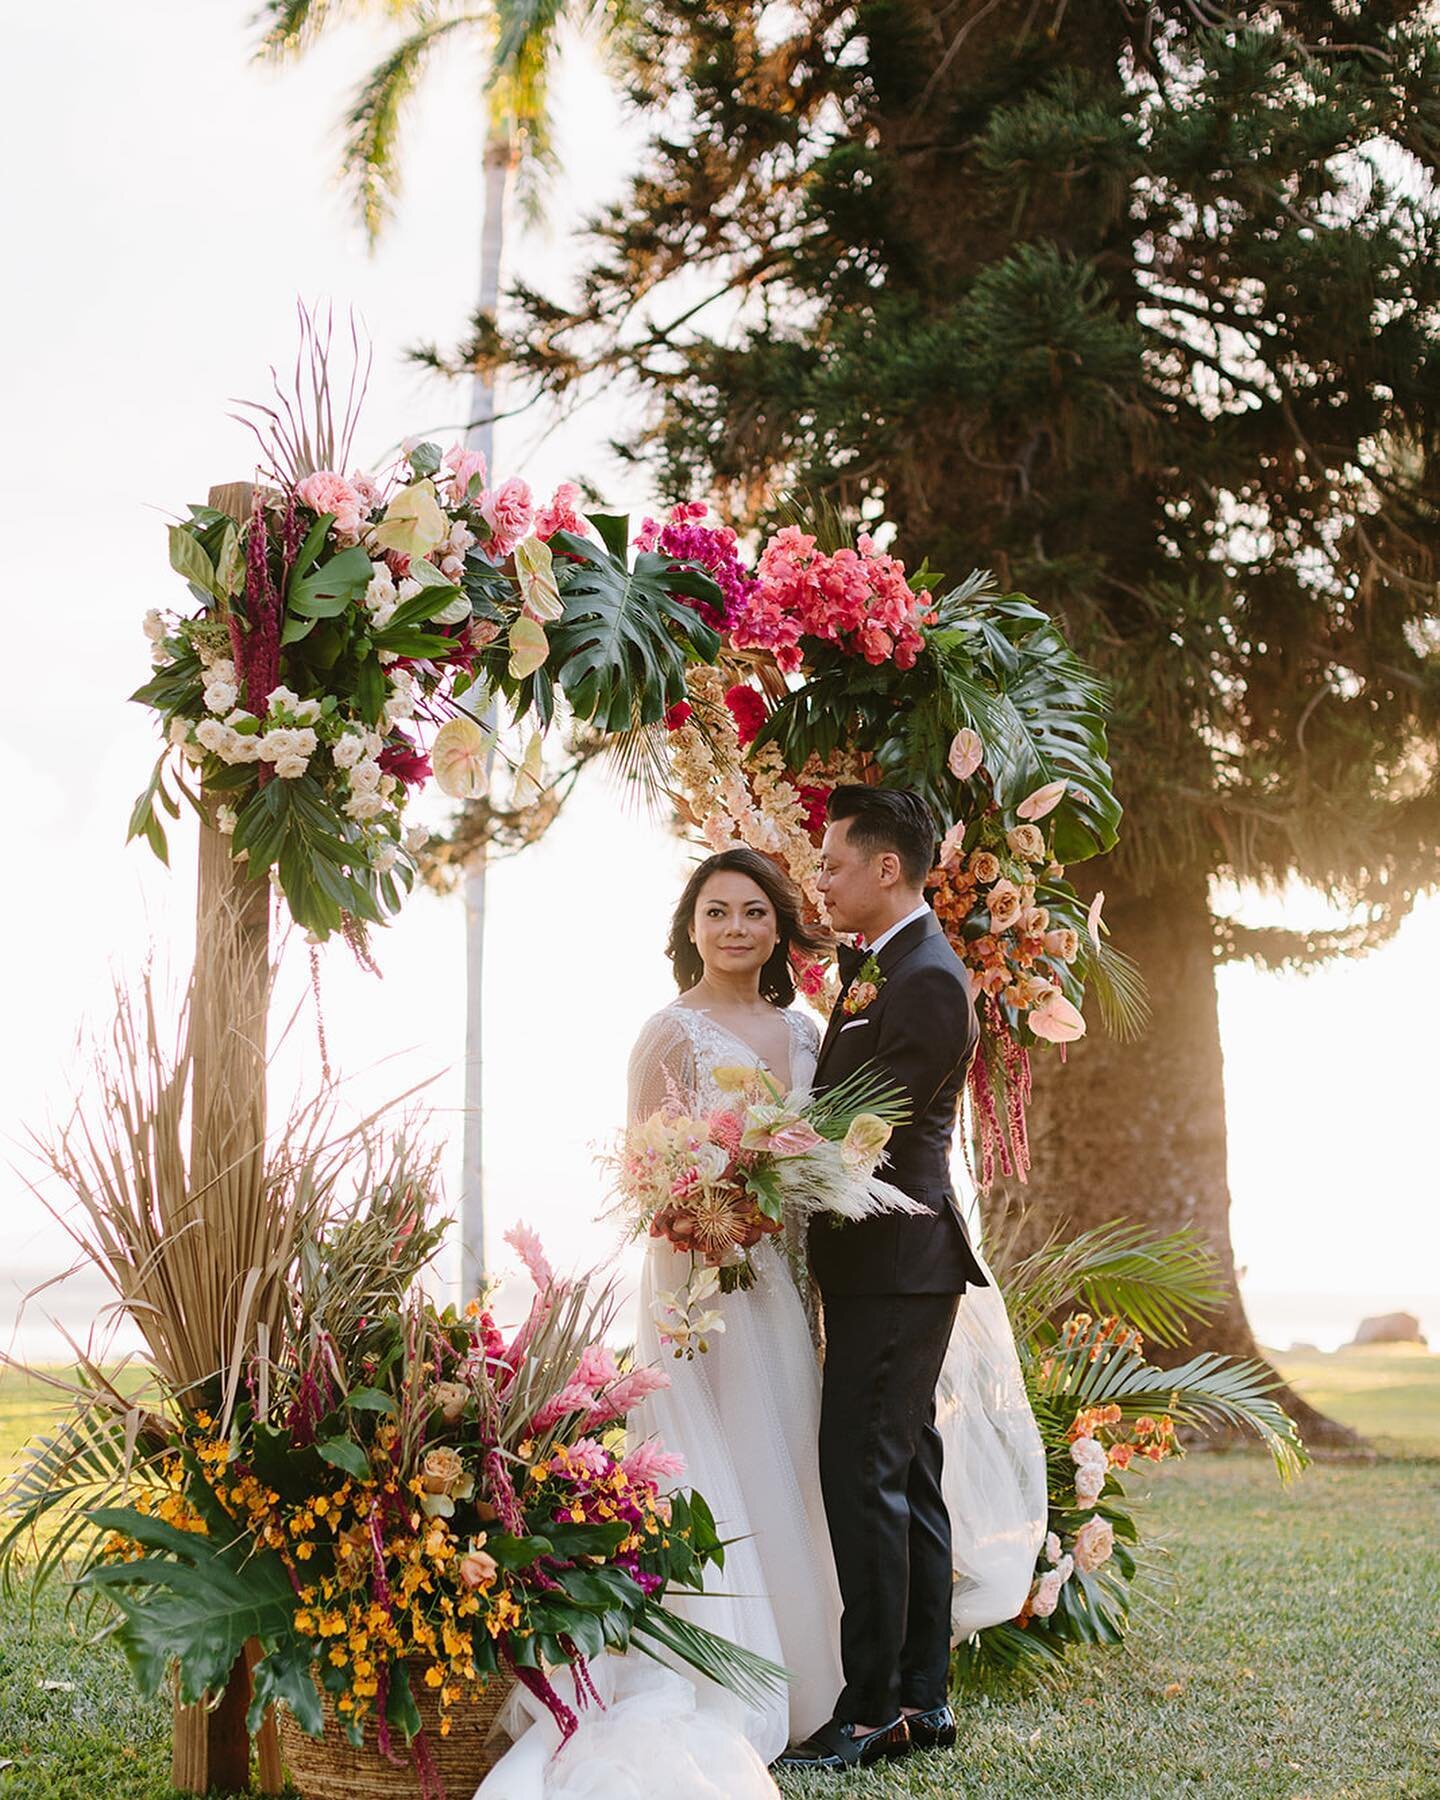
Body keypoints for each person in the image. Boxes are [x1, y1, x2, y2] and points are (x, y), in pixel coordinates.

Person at [777, 786, 991, 1775]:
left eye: (830, 863)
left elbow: (863, 1127)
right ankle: (922, 1698)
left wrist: (752, 1154)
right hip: (881, 1262)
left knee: (863, 1471)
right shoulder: (883, 966)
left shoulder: (929, 980)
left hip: (900, 1262)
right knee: (904, 1471)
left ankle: (869, 1711)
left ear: (887, 869)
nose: (819, 877)